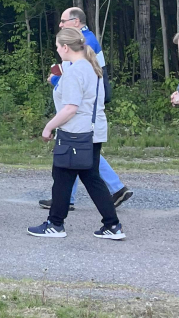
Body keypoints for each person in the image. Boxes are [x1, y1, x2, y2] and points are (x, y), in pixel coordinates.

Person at [28, 27, 124, 241]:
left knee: (61, 176)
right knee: (91, 178)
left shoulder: (75, 72)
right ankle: (112, 225)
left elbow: (71, 107)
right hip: (94, 131)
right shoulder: (92, 66)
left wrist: (49, 126)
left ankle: (55, 224)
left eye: (56, 47)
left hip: (75, 133)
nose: (57, 51)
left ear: (65, 47)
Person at [39, 6, 132, 212]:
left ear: (75, 22)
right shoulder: (86, 41)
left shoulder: (84, 43)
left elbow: (74, 88)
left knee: (79, 161)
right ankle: (103, 205)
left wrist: (55, 79)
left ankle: (64, 210)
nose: (60, 24)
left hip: (83, 118)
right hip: (86, 117)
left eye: (63, 21)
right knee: (83, 162)